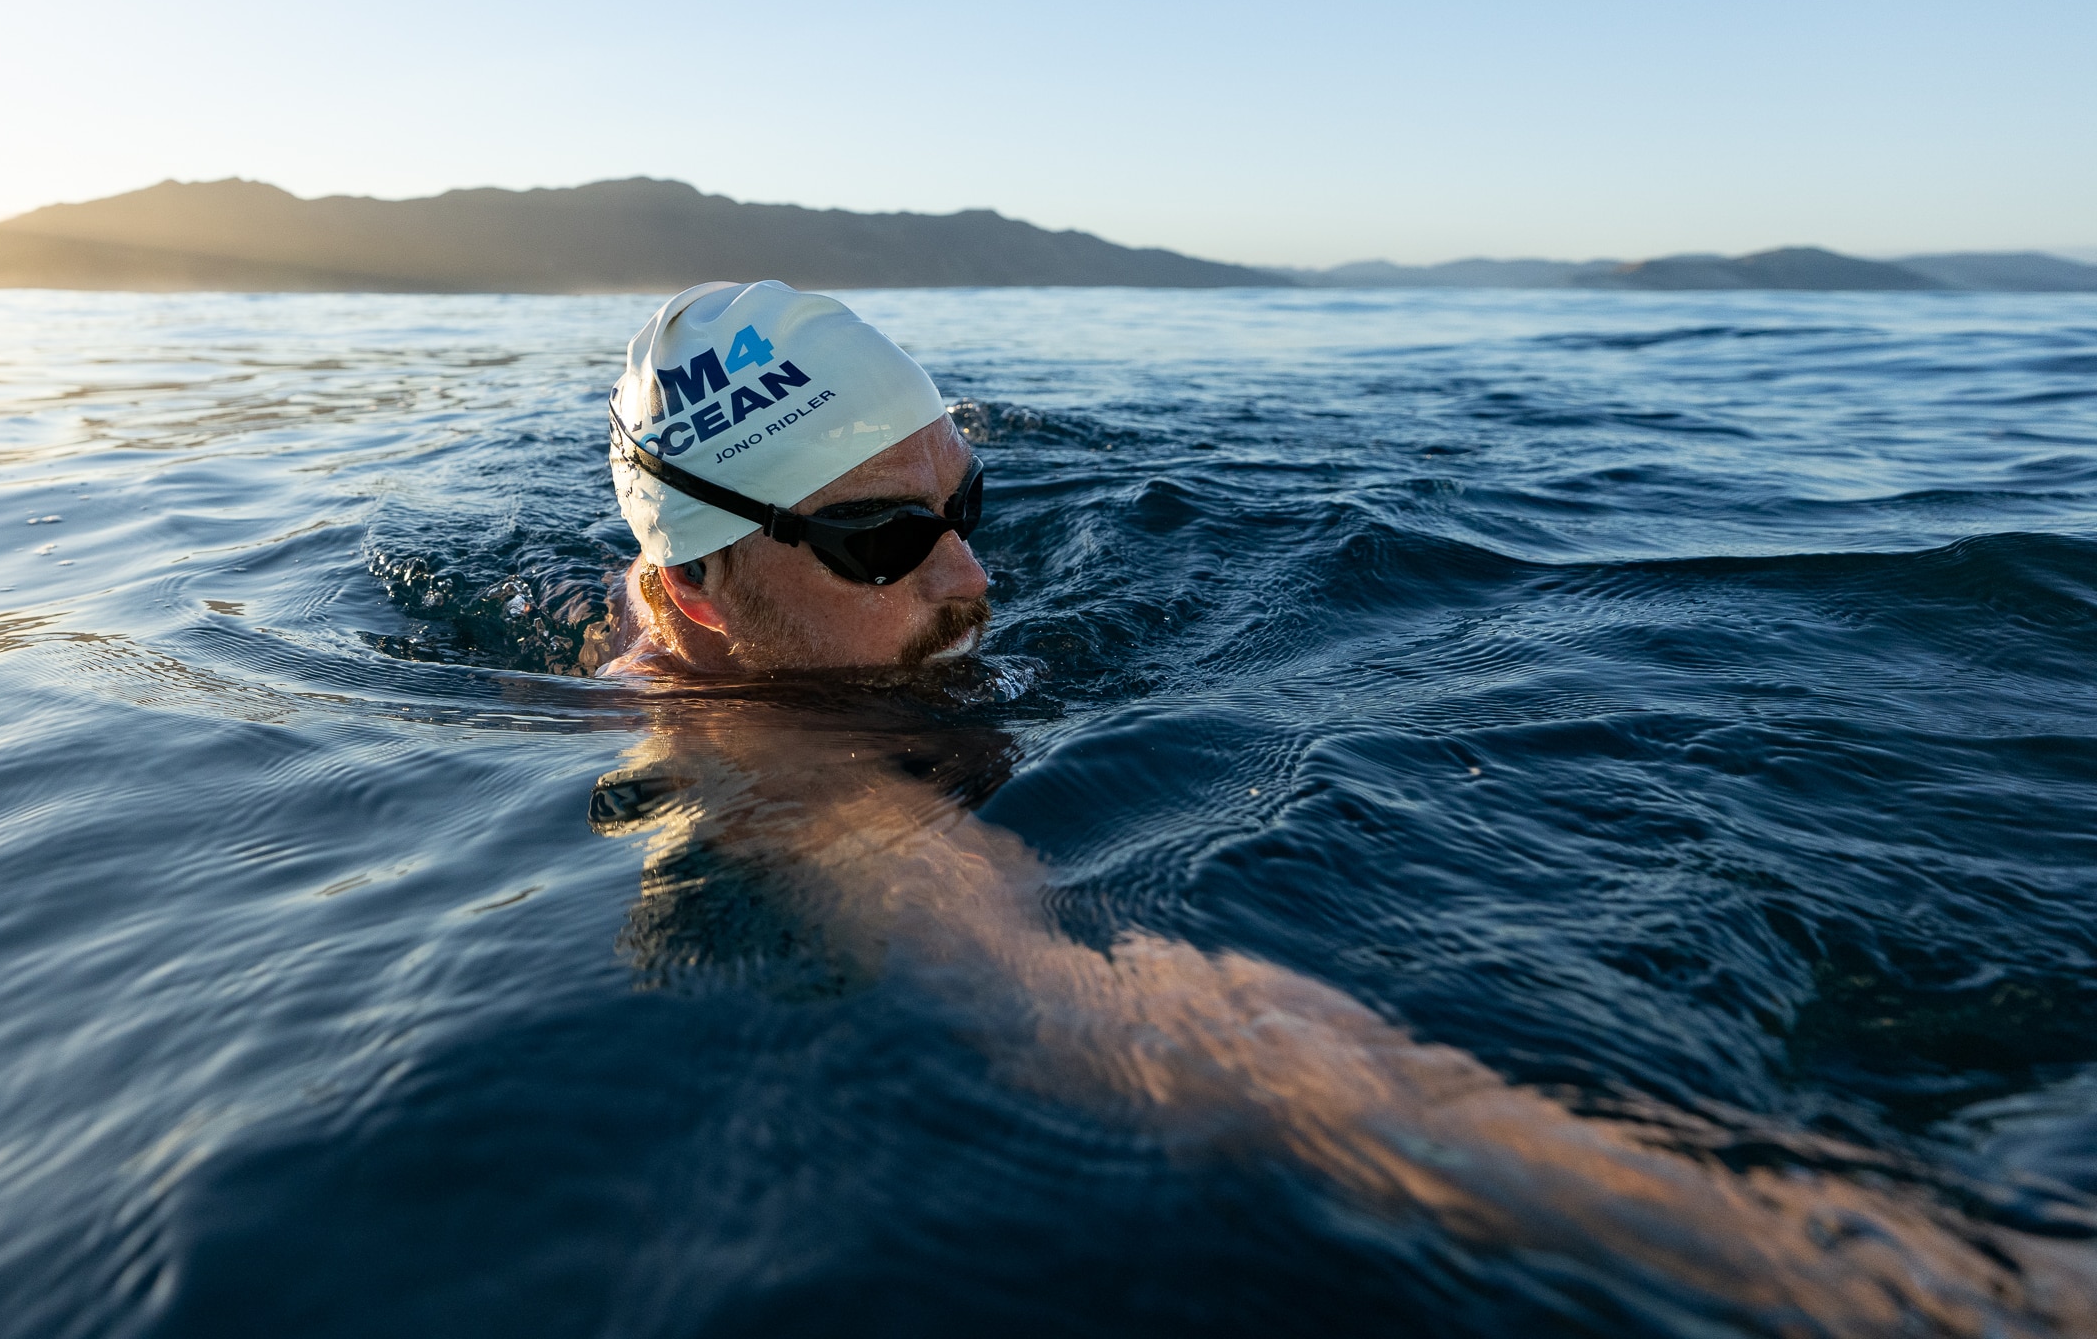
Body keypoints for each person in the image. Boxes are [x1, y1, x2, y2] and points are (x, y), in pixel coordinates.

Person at [594, 281, 2095, 1335]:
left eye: (964, 505)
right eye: (878, 542)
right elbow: (1132, 1021)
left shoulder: (723, 591)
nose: (973, 578)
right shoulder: (801, 799)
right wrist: (1896, 1280)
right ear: (699, 599)